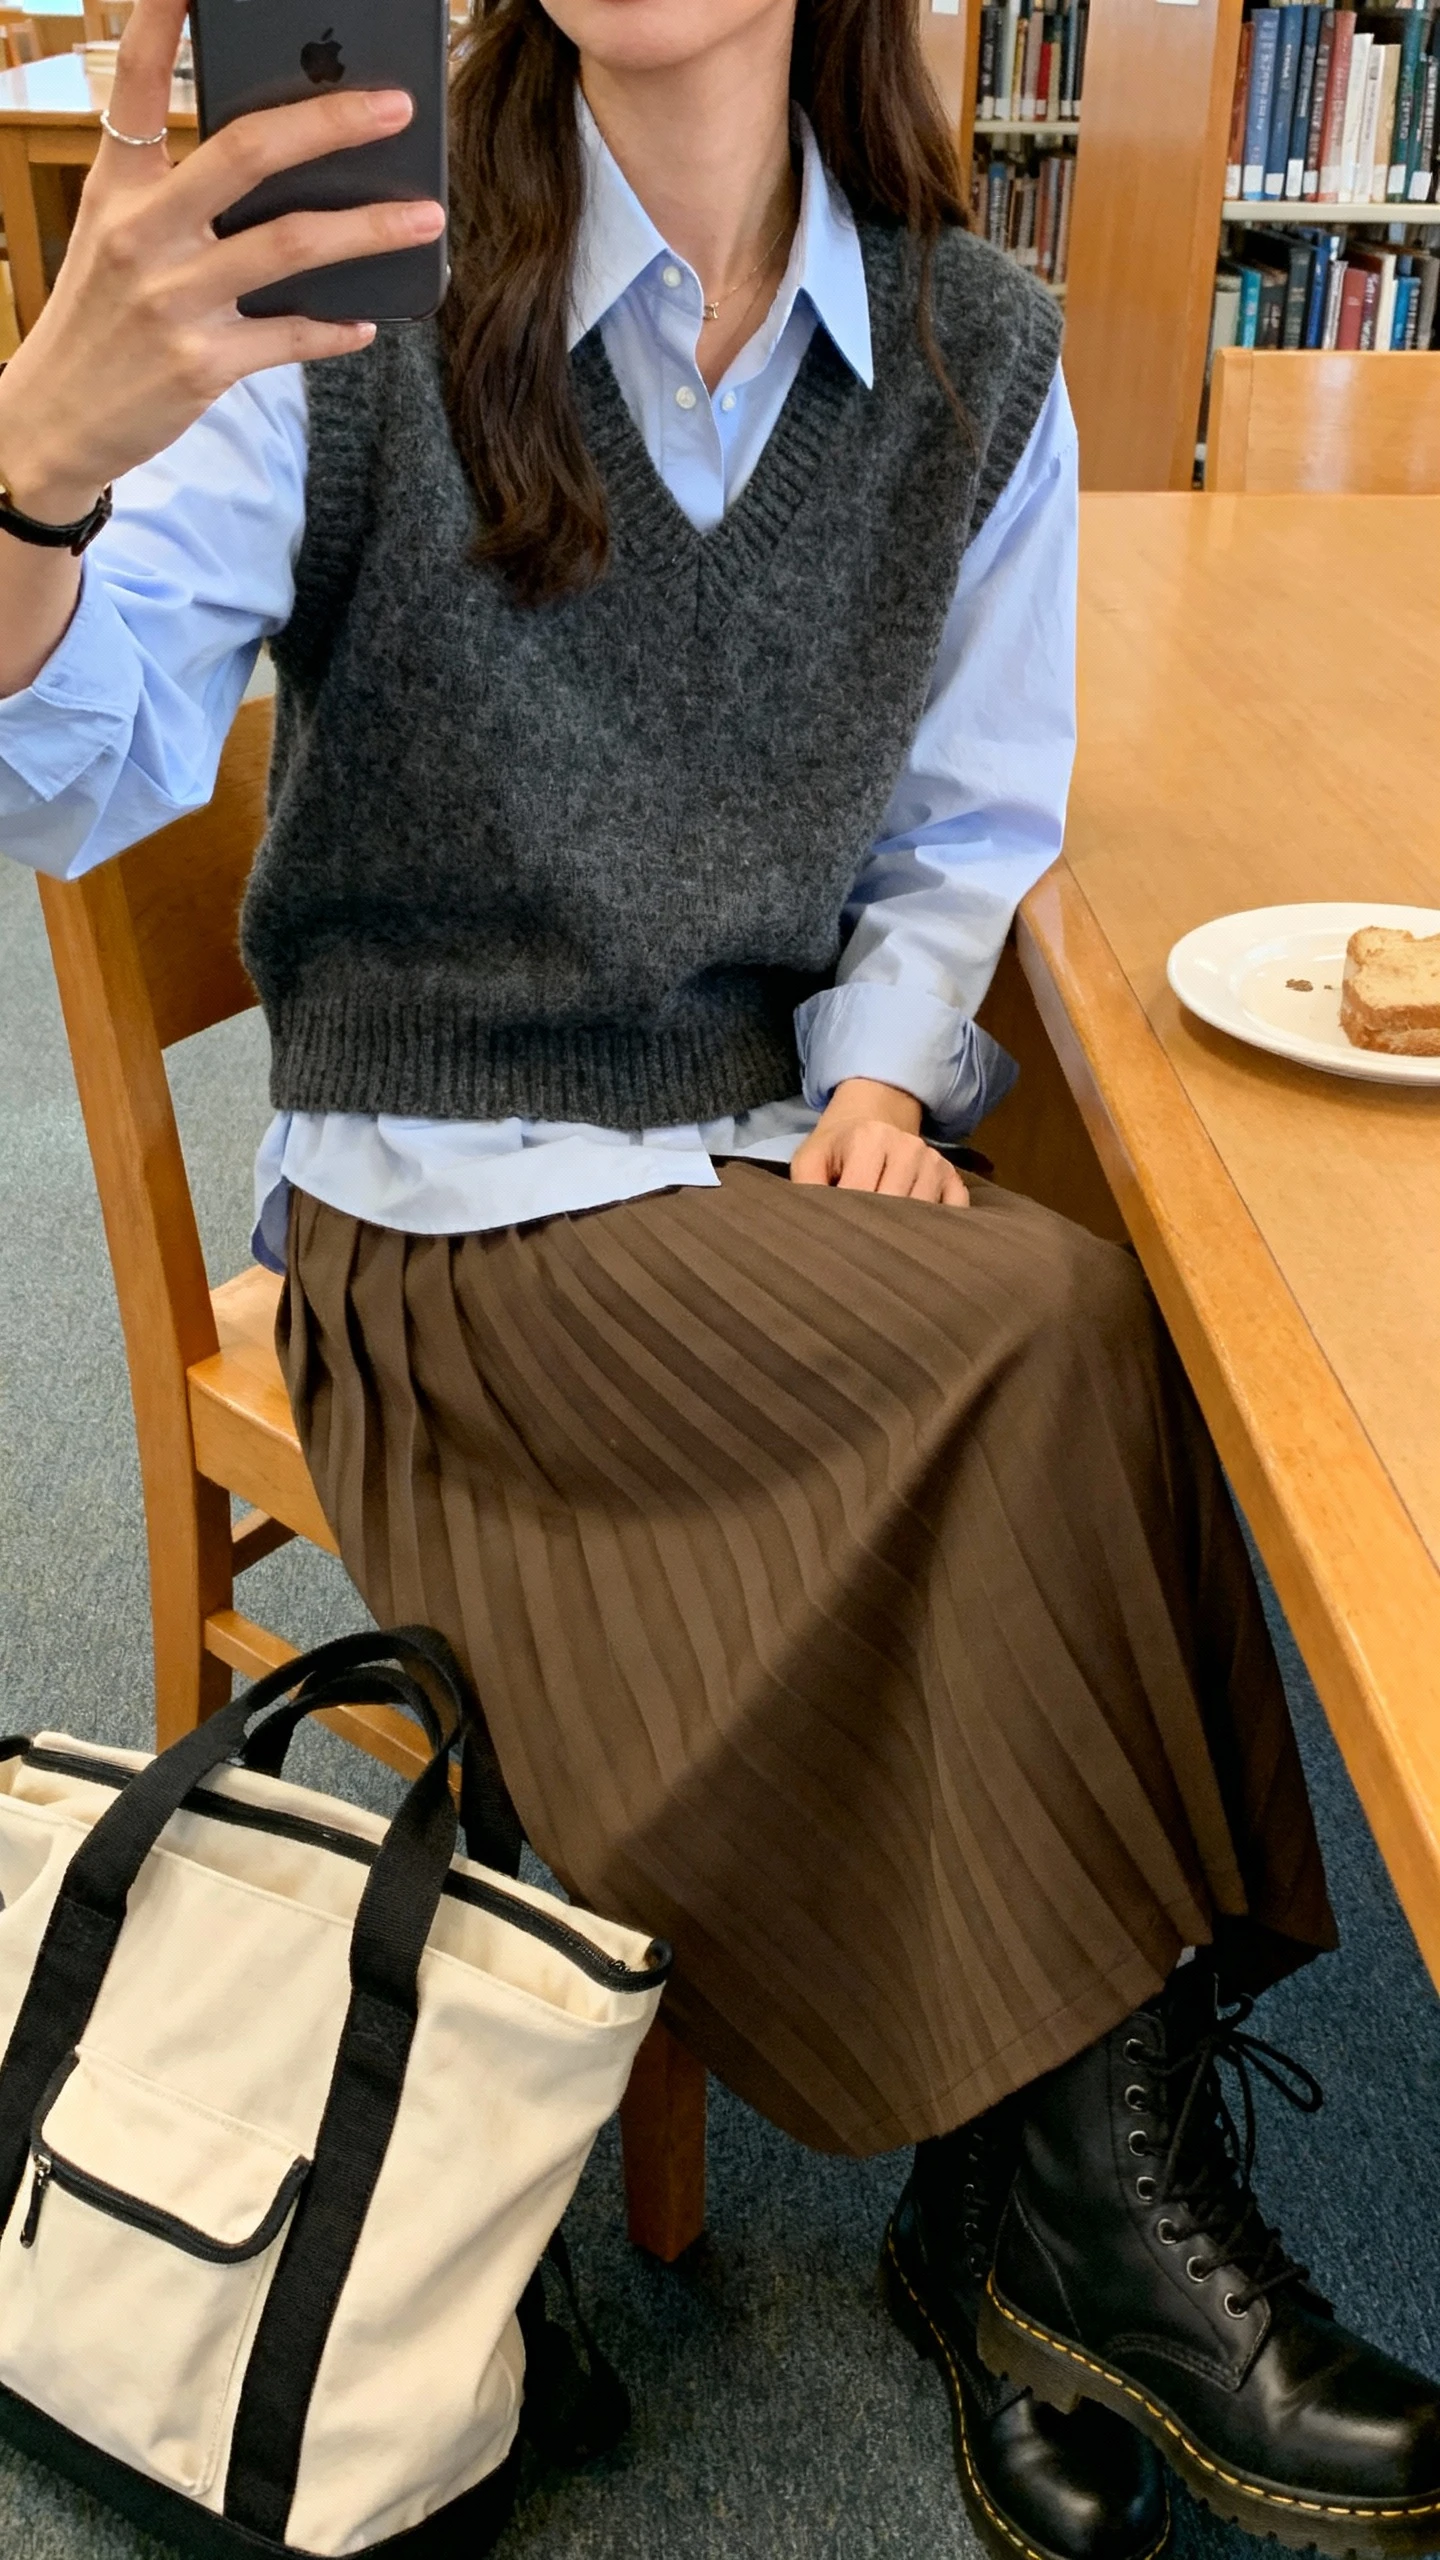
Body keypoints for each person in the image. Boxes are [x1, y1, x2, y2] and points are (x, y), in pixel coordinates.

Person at [2, 2, 1438, 2553]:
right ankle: (1089, 2214)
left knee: (1058, 1334)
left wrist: (886, 1073)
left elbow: (963, 821)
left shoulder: (971, 350)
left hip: (761, 1160)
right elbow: (68, 760)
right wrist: (35, 473)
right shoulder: (354, 302)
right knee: (1060, 1338)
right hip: (437, 1216)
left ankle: (1021, 2214)